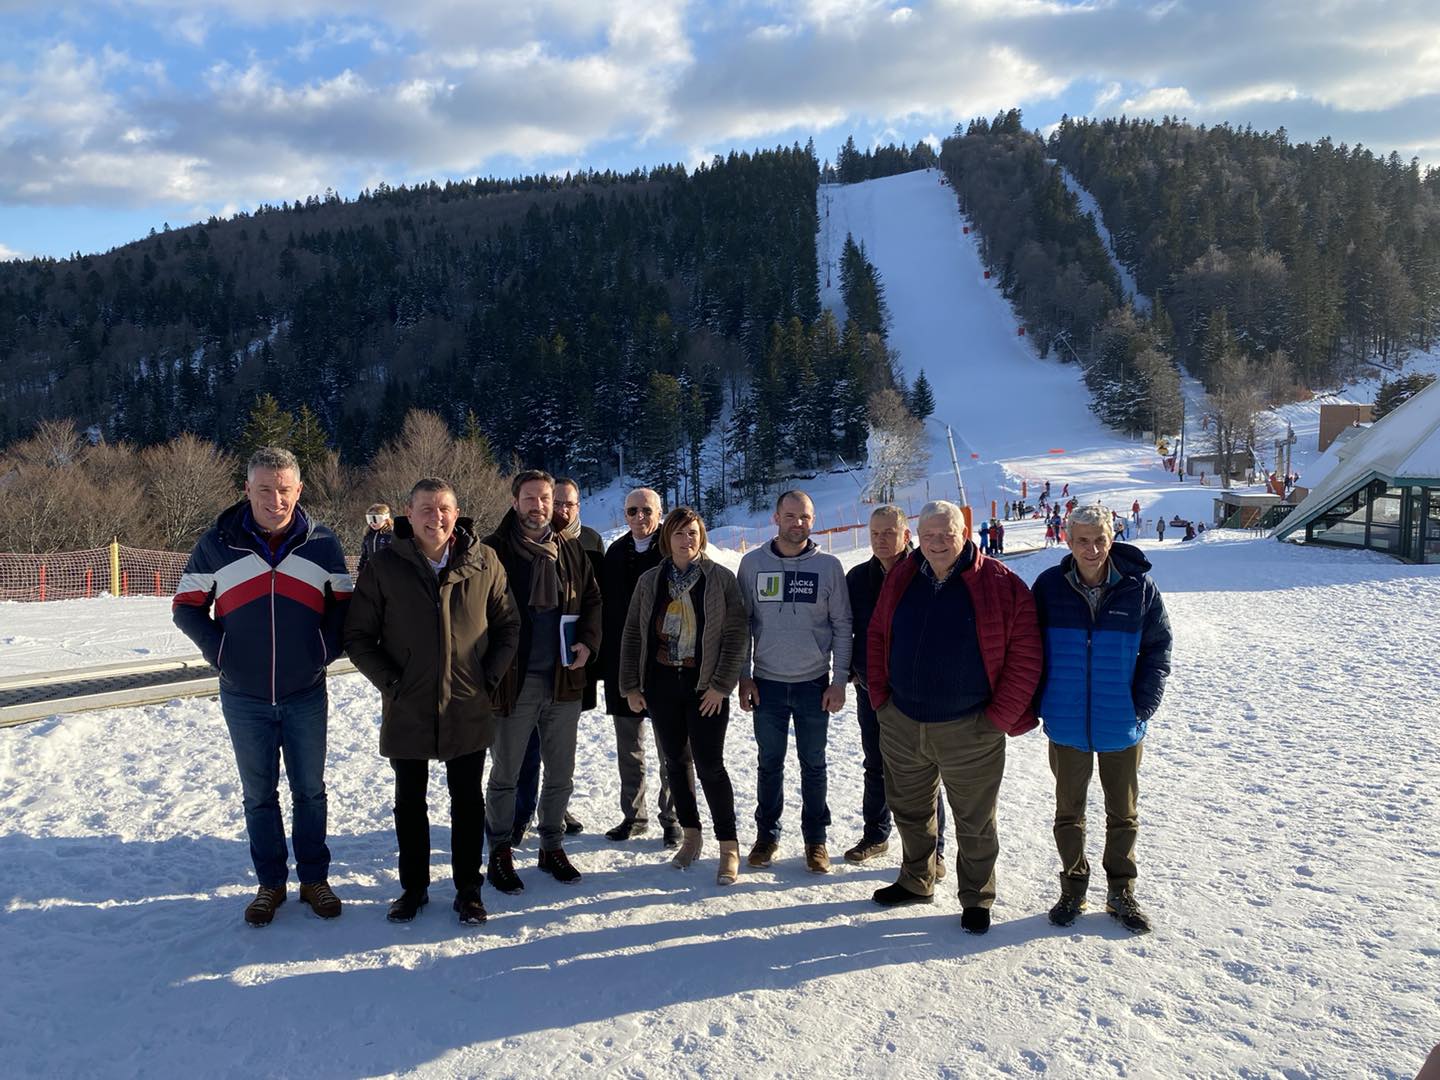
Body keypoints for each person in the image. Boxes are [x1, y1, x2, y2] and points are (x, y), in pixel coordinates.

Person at [173, 447, 352, 926]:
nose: (276, 499)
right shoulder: (217, 543)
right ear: (247, 490)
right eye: (266, 489)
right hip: (244, 695)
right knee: (259, 795)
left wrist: (322, 650)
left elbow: (344, 607)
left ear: (299, 490)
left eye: (285, 489)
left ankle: (314, 878)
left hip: (305, 691)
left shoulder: (322, 543)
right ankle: (270, 884)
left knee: (310, 791)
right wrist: (222, 653)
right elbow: (186, 605)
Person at [344, 478, 520, 925]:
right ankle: (414, 889)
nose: (435, 517)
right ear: (409, 511)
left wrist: (487, 677)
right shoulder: (385, 565)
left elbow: (508, 626)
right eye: (426, 508)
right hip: (409, 704)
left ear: (456, 513)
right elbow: (358, 636)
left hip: (467, 702)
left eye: (444, 508)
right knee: (410, 803)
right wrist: (391, 682)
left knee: (467, 802)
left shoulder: (484, 561)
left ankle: (468, 889)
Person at [866, 500, 1042, 934]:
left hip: (971, 728)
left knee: (974, 820)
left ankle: (976, 897)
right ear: (917, 538)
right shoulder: (904, 577)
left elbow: (1026, 656)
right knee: (909, 809)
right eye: (930, 535)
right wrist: (881, 701)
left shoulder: (1000, 584)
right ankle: (916, 879)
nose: (939, 542)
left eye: (948, 534)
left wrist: (998, 718)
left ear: (966, 533)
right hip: (902, 720)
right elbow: (876, 635)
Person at [1032, 504, 1172, 934]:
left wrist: (1141, 706)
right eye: (1082, 540)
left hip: (1121, 723)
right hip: (1068, 722)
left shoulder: (1138, 588)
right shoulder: (1050, 587)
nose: (1091, 549)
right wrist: (1042, 702)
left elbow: (1158, 650)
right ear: (1067, 540)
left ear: (1112, 539)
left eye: (1099, 540)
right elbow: (1029, 648)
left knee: (1122, 813)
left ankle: (1121, 889)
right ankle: (1073, 886)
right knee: (1068, 813)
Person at [483, 470, 602, 892]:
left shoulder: (570, 549)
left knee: (561, 773)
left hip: (563, 679)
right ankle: (499, 850)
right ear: (515, 502)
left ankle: (550, 844)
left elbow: (591, 599)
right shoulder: (493, 551)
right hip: (514, 681)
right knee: (507, 773)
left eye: (546, 499)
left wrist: (588, 642)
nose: (539, 507)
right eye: (530, 499)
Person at [619, 507, 748, 885]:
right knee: (675, 762)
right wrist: (630, 685)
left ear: (701, 536)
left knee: (710, 764)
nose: (686, 540)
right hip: (662, 686)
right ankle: (691, 835)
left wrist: (721, 685)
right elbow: (632, 634)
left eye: (692, 532)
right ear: (667, 538)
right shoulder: (650, 581)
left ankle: (729, 846)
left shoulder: (720, 579)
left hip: (704, 686)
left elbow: (737, 634)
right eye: (678, 533)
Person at [737, 490, 852, 873]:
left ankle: (815, 841)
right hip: (767, 683)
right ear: (776, 518)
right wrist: (744, 676)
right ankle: (766, 836)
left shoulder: (830, 567)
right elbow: (743, 626)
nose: (797, 523)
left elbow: (842, 625)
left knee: (813, 764)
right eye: (790, 516)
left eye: (804, 517)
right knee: (769, 763)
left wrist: (838, 681)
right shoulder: (752, 564)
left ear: (812, 520)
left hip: (812, 684)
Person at [843, 506, 947, 868]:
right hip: (871, 688)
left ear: (906, 535)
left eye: (889, 532)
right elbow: (846, 630)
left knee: (924, 769)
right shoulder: (857, 578)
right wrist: (849, 670)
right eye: (875, 533)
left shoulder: (926, 573)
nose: (881, 540)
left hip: (915, 691)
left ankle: (935, 848)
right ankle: (876, 833)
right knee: (875, 764)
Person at [600, 487, 691, 847]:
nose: (639, 517)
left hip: (665, 665)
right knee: (629, 748)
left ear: (660, 513)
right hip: (622, 664)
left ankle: (673, 818)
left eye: (646, 511)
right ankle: (633, 816)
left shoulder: (672, 552)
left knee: (671, 747)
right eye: (632, 511)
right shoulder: (615, 553)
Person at [511, 476, 596, 843]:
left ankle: (554, 815)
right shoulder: (509, 545)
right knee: (521, 754)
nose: (559, 508)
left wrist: (590, 646)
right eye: (553, 500)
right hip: (521, 671)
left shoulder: (587, 544)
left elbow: (595, 601)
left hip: (568, 668)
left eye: (567, 504)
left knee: (559, 757)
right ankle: (521, 813)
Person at [357, 503, 394, 576]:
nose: (372, 523)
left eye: (375, 519)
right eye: (369, 519)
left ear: (385, 519)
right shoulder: (368, 536)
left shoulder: (391, 535)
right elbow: (364, 555)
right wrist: (361, 570)